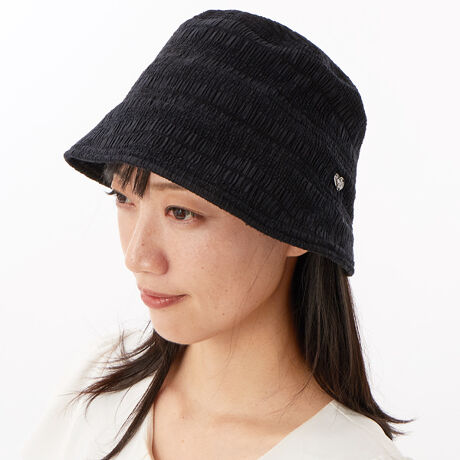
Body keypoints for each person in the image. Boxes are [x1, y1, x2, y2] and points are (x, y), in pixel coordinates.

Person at [21, 8, 414, 460]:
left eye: (181, 212)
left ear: (297, 230)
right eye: (124, 197)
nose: (137, 256)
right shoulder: (98, 383)